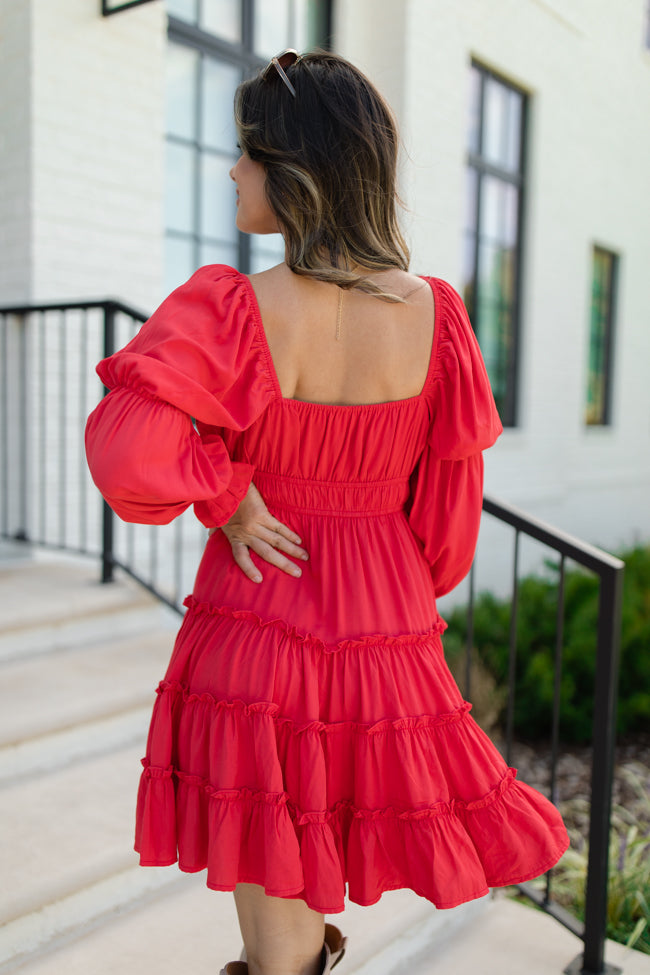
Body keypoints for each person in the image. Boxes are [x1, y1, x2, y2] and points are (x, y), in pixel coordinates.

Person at [85, 50, 569, 975]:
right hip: (382, 627)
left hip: (260, 612)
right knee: (308, 892)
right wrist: (389, 590)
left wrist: (226, 493)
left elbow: (127, 448)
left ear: (297, 171)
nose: (232, 171)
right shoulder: (441, 318)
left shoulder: (233, 307)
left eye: (250, 154)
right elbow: (447, 523)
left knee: (275, 915)